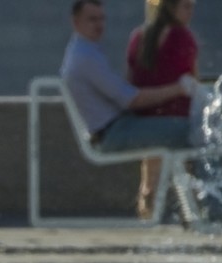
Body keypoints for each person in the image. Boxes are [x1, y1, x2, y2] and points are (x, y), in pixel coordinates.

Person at [61, 0, 196, 157]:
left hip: (115, 127)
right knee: (193, 131)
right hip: (113, 133)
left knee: (186, 130)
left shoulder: (84, 50)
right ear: (75, 22)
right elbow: (132, 100)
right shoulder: (85, 57)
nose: (99, 25)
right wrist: (179, 88)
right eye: (92, 19)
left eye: (101, 19)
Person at [126, 0, 199, 218]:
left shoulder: (138, 37)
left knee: (151, 171)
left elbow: (130, 82)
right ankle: (192, 210)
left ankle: (147, 212)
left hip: (143, 119)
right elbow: (192, 82)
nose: (190, 11)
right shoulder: (181, 37)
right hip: (175, 118)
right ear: (170, 8)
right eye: (186, 6)